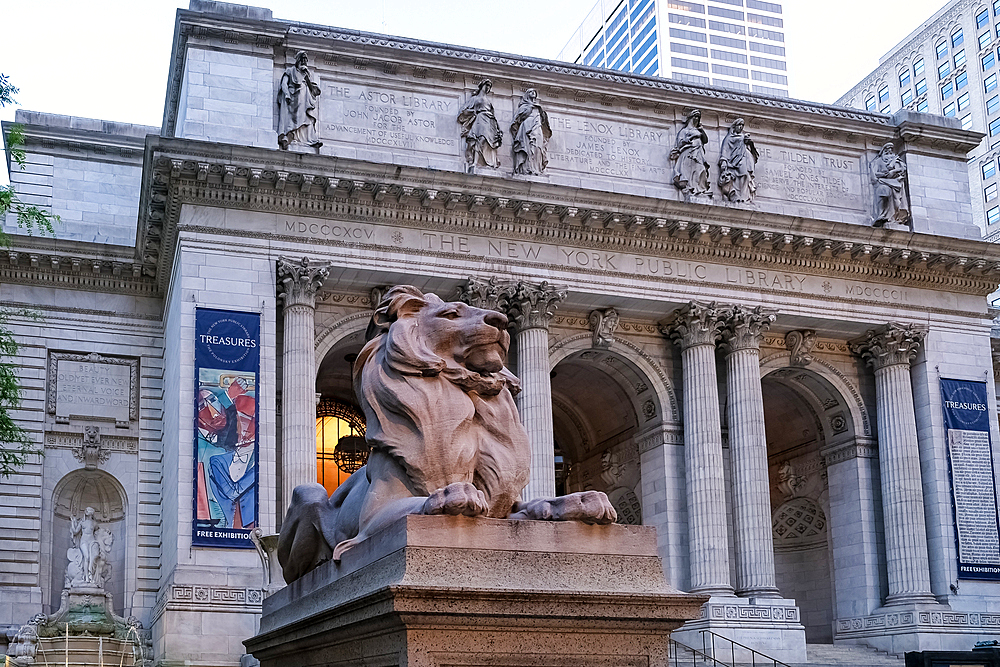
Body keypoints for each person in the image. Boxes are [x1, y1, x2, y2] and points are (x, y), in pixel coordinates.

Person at [277, 50, 323, 150]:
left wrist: (307, 78)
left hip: (304, 99)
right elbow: (284, 84)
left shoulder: (307, 74)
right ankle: (290, 136)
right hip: (293, 98)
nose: (303, 62)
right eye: (302, 60)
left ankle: (310, 139)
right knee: (293, 119)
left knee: (308, 117)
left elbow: (313, 90)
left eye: (305, 60)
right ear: (298, 61)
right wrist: (287, 94)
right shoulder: (290, 71)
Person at [458, 79, 503, 169]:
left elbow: (493, 115)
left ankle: (487, 162)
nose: (488, 88)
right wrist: (473, 112)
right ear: (482, 86)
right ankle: (475, 161)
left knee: (486, 141)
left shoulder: (489, 102)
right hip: (480, 119)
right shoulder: (475, 99)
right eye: (487, 86)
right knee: (480, 139)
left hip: (490, 121)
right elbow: (465, 110)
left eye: (489, 87)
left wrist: (498, 130)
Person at [670, 109, 711, 196]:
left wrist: (701, 130)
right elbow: (680, 142)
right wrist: (692, 136)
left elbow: (705, 140)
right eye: (695, 117)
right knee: (689, 171)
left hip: (699, 154)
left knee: (701, 169)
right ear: (690, 118)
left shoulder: (699, 130)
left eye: (698, 117)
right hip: (688, 154)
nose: (696, 119)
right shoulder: (684, 131)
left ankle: (700, 189)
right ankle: (691, 188)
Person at [510, 88, 552, 175]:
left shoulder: (539, 109)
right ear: (526, 95)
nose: (533, 93)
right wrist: (528, 110)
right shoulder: (524, 106)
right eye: (530, 92)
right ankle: (527, 168)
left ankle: (537, 168)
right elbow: (517, 119)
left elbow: (545, 123)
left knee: (538, 147)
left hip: (537, 127)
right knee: (528, 146)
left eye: (534, 92)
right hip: (526, 127)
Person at [718, 118, 759, 202]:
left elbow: (753, 151)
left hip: (745, 158)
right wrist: (724, 161)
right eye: (739, 125)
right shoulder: (729, 138)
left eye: (742, 125)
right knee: (741, 176)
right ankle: (736, 194)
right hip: (734, 161)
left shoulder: (743, 137)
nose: (740, 127)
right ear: (734, 126)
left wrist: (749, 143)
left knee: (746, 175)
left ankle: (744, 197)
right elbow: (725, 150)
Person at [871, 142, 910, 225]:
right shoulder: (878, 161)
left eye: (891, 149)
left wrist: (893, 171)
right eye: (887, 149)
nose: (889, 151)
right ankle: (882, 214)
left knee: (895, 200)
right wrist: (884, 175)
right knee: (883, 190)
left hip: (896, 183)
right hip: (883, 182)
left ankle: (894, 216)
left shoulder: (897, 160)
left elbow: (902, 170)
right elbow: (875, 174)